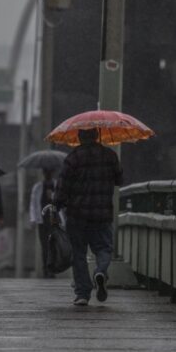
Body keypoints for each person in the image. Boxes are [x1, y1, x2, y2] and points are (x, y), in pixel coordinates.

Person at [52, 128, 123, 306]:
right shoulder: (110, 156)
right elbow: (119, 180)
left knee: (78, 254)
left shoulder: (73, 158)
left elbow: (62, 187)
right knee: (104, 249)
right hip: (102, 213)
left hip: (77, 214)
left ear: (79, 137)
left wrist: (56, 206)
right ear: (97, 136)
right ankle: (100, 271)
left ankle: (83, 293)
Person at [29, 168, 58, 278]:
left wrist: (52, 197)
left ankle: (52, 269)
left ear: (52, 173)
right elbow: (33, 204)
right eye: (46, 172)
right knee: (45, 246)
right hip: (42, 221)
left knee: (53, 245)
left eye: (49, 172)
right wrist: (32, 219)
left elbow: (62, 201)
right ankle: (46, 269)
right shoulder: (37, 187)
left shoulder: (57, 186)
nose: (47, 174)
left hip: (54, 220)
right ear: (43, 173)